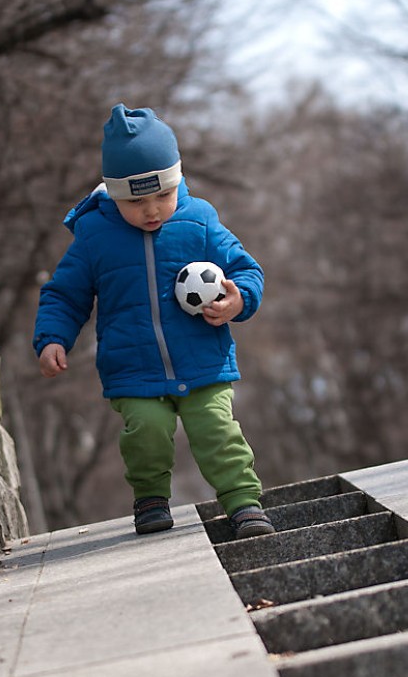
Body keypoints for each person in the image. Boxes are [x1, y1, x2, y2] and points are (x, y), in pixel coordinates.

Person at [33, 103, 274, 538]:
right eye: (136, 200)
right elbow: (64, 294)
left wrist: (239, 301)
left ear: (178, 180)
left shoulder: (199, 220)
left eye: (162, 194)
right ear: (112, 193)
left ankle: (243, 503)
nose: (151, 210)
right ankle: (150, 498)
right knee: (146, 430)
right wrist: (52, 338)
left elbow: (247, 270)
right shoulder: (95, 236)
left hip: (202, 361)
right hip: (134, 368)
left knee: (217, 430)